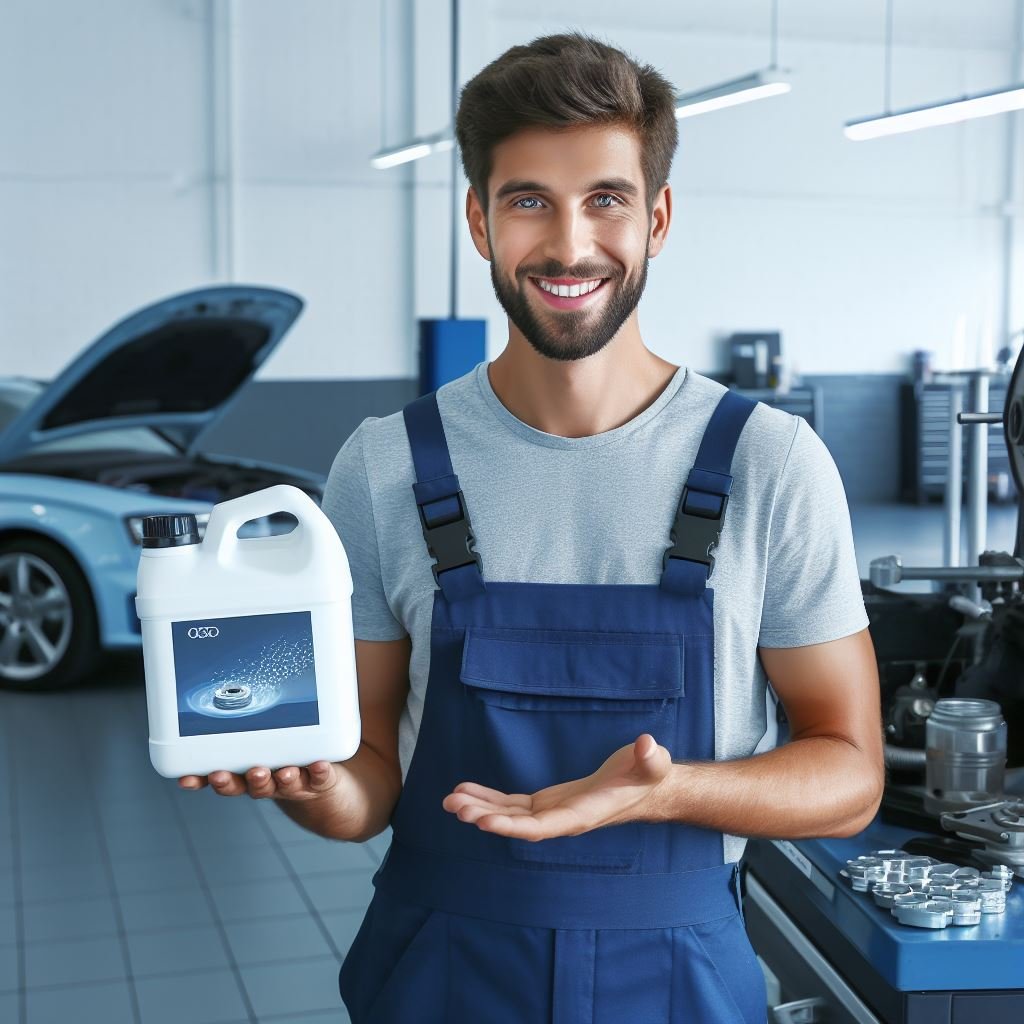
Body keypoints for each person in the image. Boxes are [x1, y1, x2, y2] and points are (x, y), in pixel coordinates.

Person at [180, 32, 883, 1023]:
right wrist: (302, 781)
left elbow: (849, 776)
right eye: (527, 201)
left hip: (677, 981)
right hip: (440, 976)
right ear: (478, 220)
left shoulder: (771, 465)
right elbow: (368, 786)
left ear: (658, 218)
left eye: (605, 198)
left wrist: (663, 791)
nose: (566, 244)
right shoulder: (385, 465)